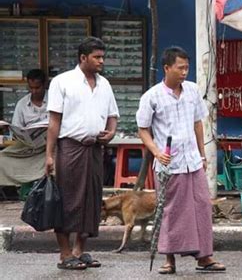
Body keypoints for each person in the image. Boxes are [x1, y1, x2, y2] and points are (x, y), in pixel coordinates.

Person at [136, 46, 225, 274]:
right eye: (180, 67)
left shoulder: (193, 91)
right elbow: (143, 129)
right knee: (170, 210)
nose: (185, 72)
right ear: (167, 68)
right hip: (169, 163)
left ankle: (204, 257)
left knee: (201, 207)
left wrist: (202, 154)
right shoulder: (152, 96)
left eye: (187, 68)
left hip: (192, 160)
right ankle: (169, 259)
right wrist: (156, 151)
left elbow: (198, 123)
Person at [46, 37, 119, 270]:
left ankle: (80, 250)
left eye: (102, 57)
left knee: (92, 199)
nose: (101, 61)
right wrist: (49, 155)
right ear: (83, 58)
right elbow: (54, 121)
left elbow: (113, 115)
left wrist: (111, 133)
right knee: (67, 200)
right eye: (97, 57)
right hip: (70, 148)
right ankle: (65, 253)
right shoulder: (62, 82)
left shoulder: (104, 84)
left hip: (95, 149)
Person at [0, 69, 49, 187]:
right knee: (3, 157)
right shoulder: (22, 104)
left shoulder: (55, 100)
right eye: (31, 88)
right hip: (27, 146)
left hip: (49, 146)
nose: (34, 91)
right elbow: (17, 129)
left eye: (37, 88)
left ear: (44, 85)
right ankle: (13, 189)